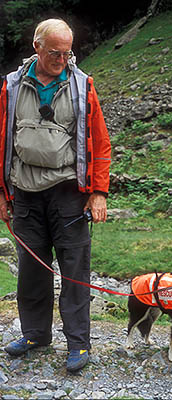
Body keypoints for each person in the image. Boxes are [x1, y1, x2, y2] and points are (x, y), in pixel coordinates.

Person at [0, 18, 111, 372]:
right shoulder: (11, 86)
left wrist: (98, 192)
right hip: (25, 194)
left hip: (69, 194)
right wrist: (2, 194)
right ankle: (35, 334)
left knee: (75, 270)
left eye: (67, 53)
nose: (62, 59)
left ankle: (78, 343)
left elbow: (101, 143)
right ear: (37, 47)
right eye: (54, 53)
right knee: (31, 270)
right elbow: (1, 142)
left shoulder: (83, 86)